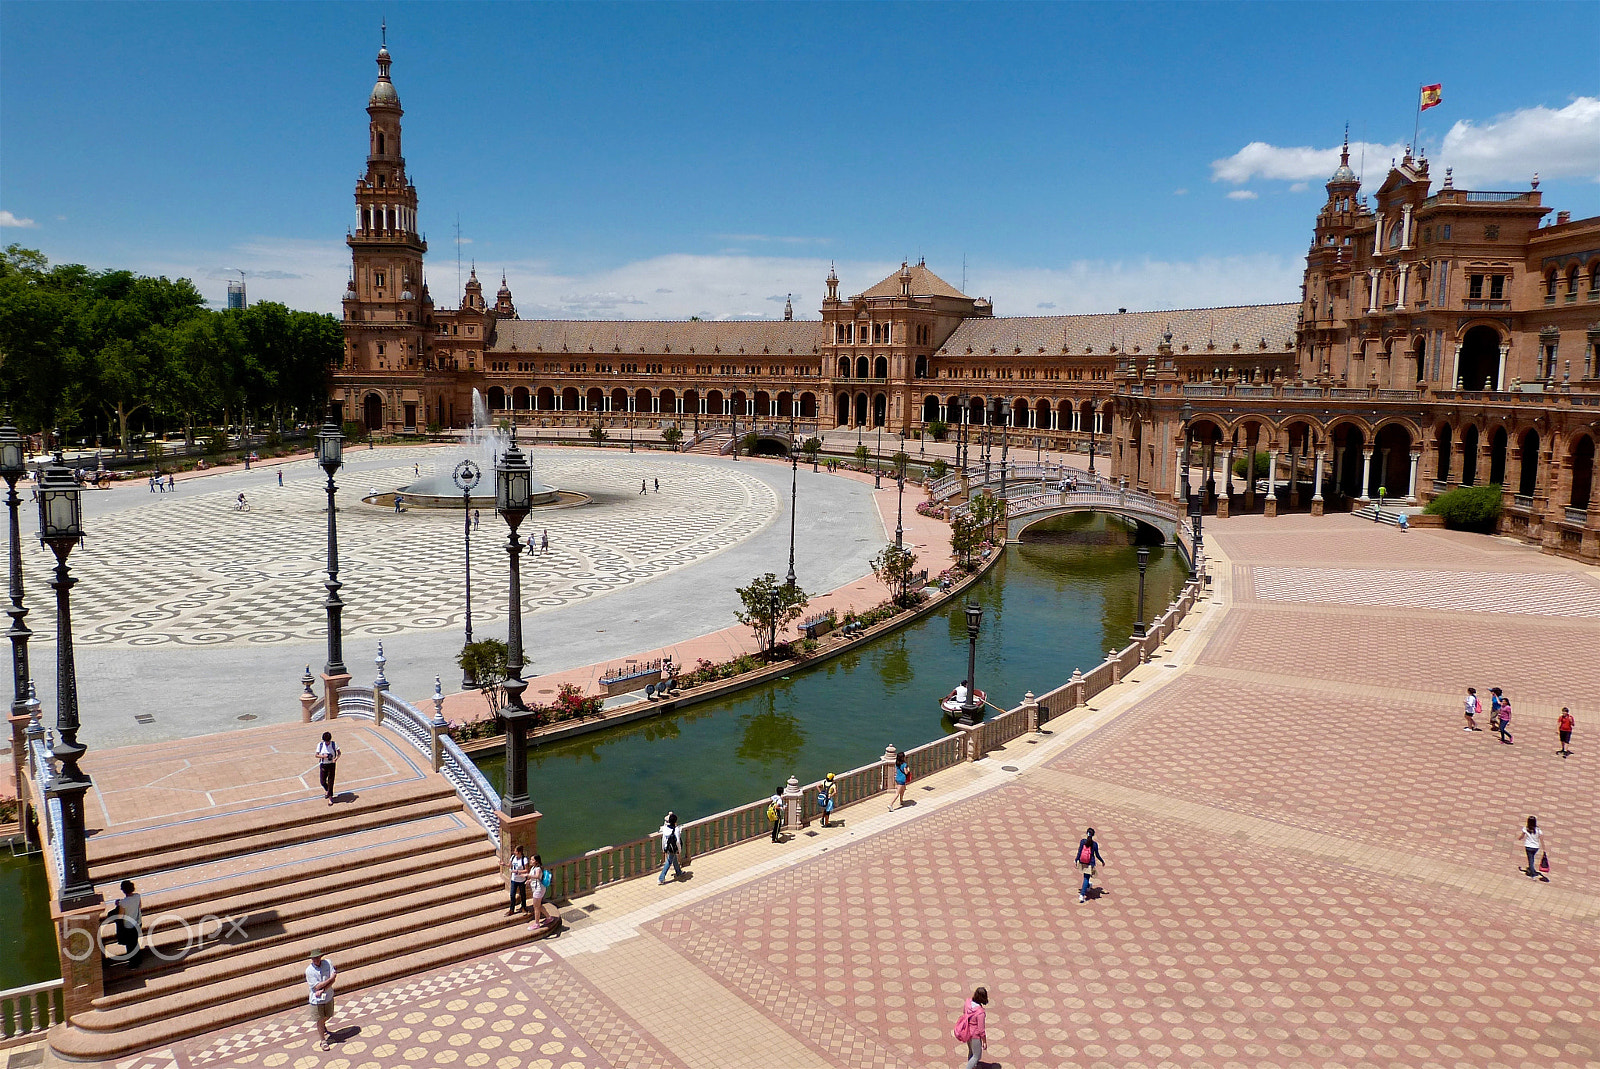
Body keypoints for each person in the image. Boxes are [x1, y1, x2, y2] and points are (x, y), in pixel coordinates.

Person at [306, 950, 337, 1050]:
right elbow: (317, 986)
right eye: (314, 958)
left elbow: (333, 979)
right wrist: (329, 980)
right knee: (319, 1020)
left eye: (317, 957)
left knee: (328, 1015)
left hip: (328, 996)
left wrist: (323, 988)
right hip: (317, 1001)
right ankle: (323, 1041)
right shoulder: (309, 971)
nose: (316, 960)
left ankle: (323, 1026)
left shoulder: (328, 963)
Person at [105, 880, 142, 963]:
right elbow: (139, 906)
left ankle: (134, 963)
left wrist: (118, 904)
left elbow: (120, 916)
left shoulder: (123, 903)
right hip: (137, 923)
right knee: (135, 943)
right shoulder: (137, 896)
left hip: (128, 926)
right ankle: (138, 960)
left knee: (130, 946)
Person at [953, 987, 988, 1069]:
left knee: (971, 1052)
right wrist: (984, 1041)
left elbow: (964, 1013)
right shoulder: (980, 1013)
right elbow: (981, 1030)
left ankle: (973, 1067)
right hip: (975, 1036)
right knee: (977, 1056)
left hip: (967, 1032)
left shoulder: (967, 1002)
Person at [527, 853, 558, 930]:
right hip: (536, 888)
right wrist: (530, 880)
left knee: (536, 907)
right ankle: (549, 917)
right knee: (538, 906)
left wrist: (528, 876)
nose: (530, 861)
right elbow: (535, 878)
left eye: (532, 860)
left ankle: (536, 924)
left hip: (538, 890)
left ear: (536, 861)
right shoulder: (533, 868)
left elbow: (537, 876)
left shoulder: (538, 869)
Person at [1077, 827, 1104, 903]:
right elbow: (1097, 855)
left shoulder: (1083, 842)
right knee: (1086, 878)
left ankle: (1088, 886)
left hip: (1083, 861)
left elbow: (1079, 851)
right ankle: (1082, 895)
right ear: (1093, 835)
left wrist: (1077, 859)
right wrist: (1102, 861)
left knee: (1086, 876)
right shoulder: (1094, 844)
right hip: (1090, 863)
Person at [1516, 816, 1548, 881]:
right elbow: (1542, 840)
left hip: (1528, 846)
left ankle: (1532, 874)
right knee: (1532, 858)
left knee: (1530, 859)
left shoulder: (1525, 828)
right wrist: (1544, 849)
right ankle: (1531, 869)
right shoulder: (1538, 830)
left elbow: (1521, 836)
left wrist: (1518, 838)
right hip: (1536, 847)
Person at [658, 812, 686, 883]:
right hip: (673, 848)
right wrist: (679, 850)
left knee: (674, 859)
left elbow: (663, 839)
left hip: (666, 847)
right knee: (669, 861)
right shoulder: (676, 830)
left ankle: (678, 872)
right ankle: (661, 878)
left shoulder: (665, 828)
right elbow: (678, 842)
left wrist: (663, 848)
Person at [316, 731, 341, 804]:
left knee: (331, 781)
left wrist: (336, 758)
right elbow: (316, 755)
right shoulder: (320, 745)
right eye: (326, 741)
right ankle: (327, 790)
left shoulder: (334, 744)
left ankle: (330, 797)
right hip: (323, 764)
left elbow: (339, 753)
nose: (327, 743)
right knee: (322, 781)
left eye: (328, 741)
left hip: (331, 764)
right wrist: (324, 756)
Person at [507, 845, 530, 915]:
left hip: (521, 880)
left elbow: (526, 870)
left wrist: (517, 871)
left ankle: (523, 907)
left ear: (519, 852)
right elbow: (509, 865)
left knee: (523, 894)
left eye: (516, 851)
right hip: (514, 879)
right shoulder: (513, 857)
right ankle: (511, 909)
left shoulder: (524, 859)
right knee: (512, 894)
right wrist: (504, 864)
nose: (514, 852)